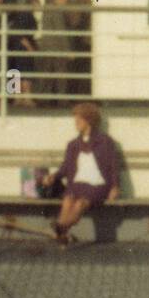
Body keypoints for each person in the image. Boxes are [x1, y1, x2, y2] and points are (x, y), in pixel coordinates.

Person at [42, 103, 121, 244]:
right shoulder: (73, 144)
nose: (76, 124)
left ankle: (60, 229)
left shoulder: (105, 141)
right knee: (67, 201)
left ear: (89, 121)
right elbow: (65, 168)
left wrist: (115, 187)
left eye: (78, 121)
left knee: (80, 204)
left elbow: (114, 166)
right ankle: (62, 233)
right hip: (77, 183)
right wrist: (53, 177)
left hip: (98, 184)